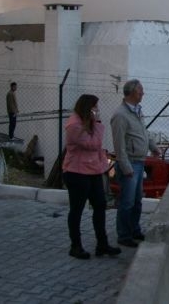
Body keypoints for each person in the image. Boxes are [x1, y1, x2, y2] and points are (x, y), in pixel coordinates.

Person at [63, 94, 121, 259]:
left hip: (93, 171)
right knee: (77, 209)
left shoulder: (88, 123)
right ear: (88, 108)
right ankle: (75, 246)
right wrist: (98, 123)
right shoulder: (74, 125)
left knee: (100, 205)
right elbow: (92, 144)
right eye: (95, 107)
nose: (97, 110)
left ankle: (102, 244)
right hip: (76, 172)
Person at [110, 79, 160, 248]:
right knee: (127, 201)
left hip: (139, 160)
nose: (142, 94)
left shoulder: (137, 111)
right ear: (131, 93)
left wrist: (153, 147)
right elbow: (119, 144)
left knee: (137, 200)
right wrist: (125, 166)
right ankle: (124, 234)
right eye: (140, 91)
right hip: (130, 162)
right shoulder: (120, 115)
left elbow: (143, 132)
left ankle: (134, 229)